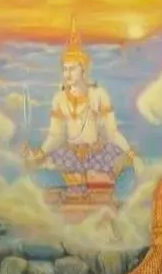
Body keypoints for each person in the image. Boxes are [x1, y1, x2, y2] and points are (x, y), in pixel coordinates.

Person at [23, 19, 136, 203]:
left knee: (118, 171)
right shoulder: (59, 98)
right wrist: (40, 154)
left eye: (72, 69)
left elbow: (112, 132)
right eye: (64, 69)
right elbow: (55, 136)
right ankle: (77, 188)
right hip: (69, 157)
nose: (66, 74)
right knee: (42, 171)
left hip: (97, 156)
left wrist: (130, 152)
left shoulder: (98, 95)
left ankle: (91, 189)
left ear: (83, 70)